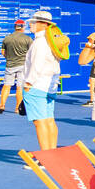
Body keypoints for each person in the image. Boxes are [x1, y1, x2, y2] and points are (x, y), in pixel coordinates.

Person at [22, 10, 62, 151]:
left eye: (34, 22)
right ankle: (52, 152)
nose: (30, 25)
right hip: (50, 85)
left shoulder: (40, 42)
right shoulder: (53, 42)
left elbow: (36, 65)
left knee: (40, 122)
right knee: (49, 119)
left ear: (44, 24)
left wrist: (28, 83)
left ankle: (46, 156)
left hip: (37, 86)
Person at [0, 19, 30, 114]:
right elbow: (32, 53)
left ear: (15, 27)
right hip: (23, 65)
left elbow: (3, 52)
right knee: (20, 87)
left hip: (10, 65)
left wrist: (10, 58)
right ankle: (17, 108)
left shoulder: (7, 38)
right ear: (23, 27)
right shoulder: (27, 39)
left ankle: (2, 105)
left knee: (6, 85)